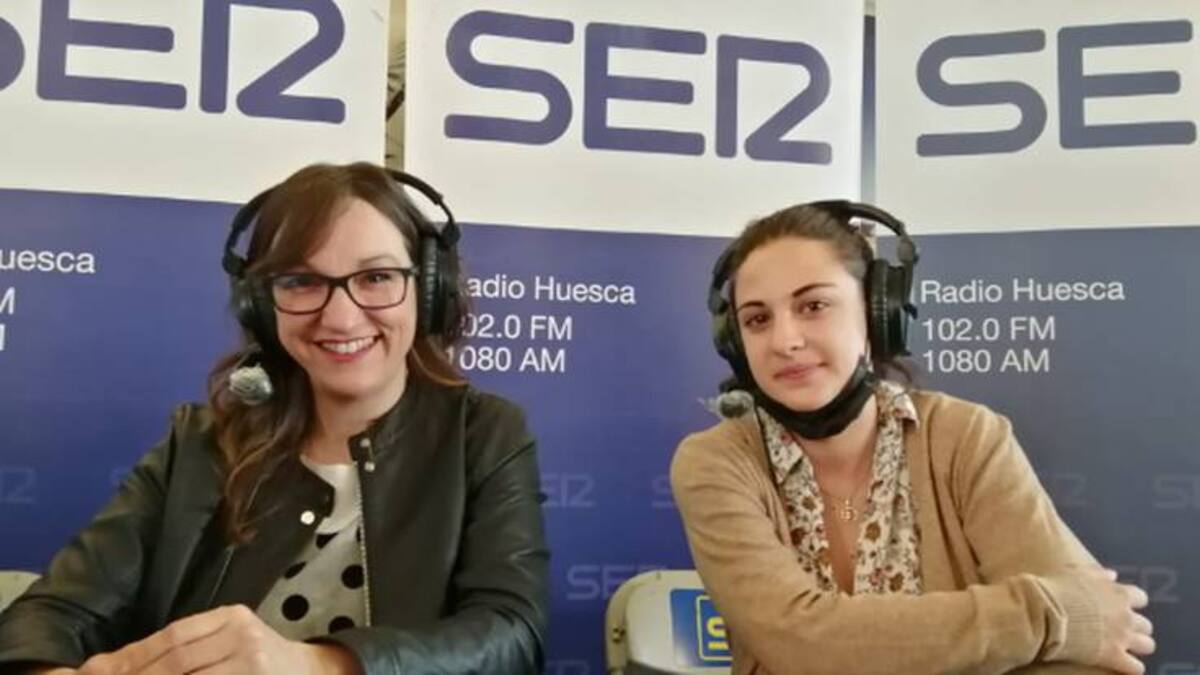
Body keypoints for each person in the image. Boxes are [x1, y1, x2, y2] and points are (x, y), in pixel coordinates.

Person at [0, 162, 549, 674]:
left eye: (377, 277)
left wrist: (313, 664)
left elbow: (511, 635)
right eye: (301, 282)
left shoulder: (483, 434)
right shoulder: (197, 444)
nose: (341, 317)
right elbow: (53, 612)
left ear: (427, 289)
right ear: (261, 306)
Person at [670, 201, 1154, 674]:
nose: (784, 340)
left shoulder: (967, 437)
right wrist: (1046, 617)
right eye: (757, 320)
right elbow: (801, 645)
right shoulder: (714, 463)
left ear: (878, 314)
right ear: (735, 344)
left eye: (814, 306)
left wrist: (1065, 624)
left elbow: (1093, 648)